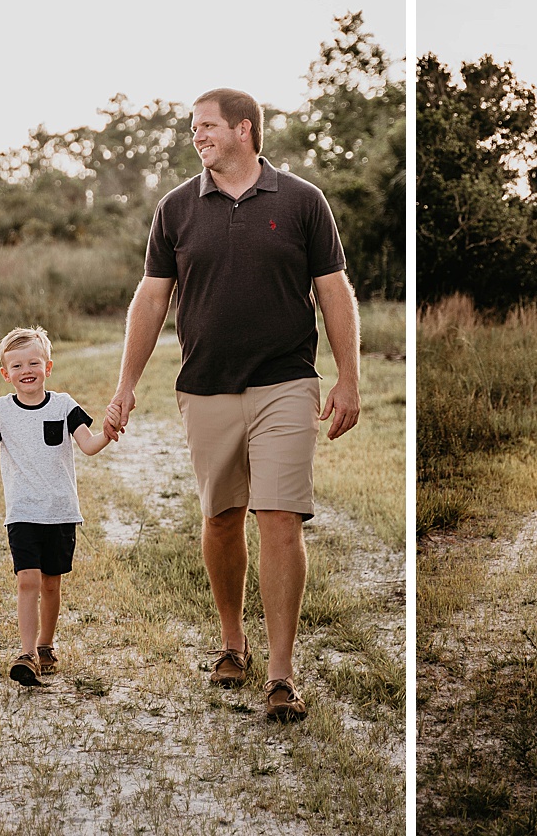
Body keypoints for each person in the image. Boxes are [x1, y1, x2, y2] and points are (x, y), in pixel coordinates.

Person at [104, 87, 361, 722]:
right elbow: (151, 299)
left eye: (208, 126)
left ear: (245, 130)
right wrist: (125, 385)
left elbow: (334, 292)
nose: (198, 136)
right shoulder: (176, 209)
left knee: (280, 517)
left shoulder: (302, 201)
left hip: (286, 380)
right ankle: (231, 641)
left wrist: (349, 377)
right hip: (206, 383)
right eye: (194, 128)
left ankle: (281, 671)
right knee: (222, 516)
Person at [0, 326, 113, 686]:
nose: (26, 370)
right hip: (22, 512)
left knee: (52, 584)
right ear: (6, 374)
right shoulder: (1, 411)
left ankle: (46, 645)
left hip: (61, 511)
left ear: (47, 366)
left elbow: (89, 445)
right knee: (28, 581)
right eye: (17, 365)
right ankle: (26, 654)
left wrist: (109, 432)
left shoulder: (65, 405)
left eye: (33, 362)